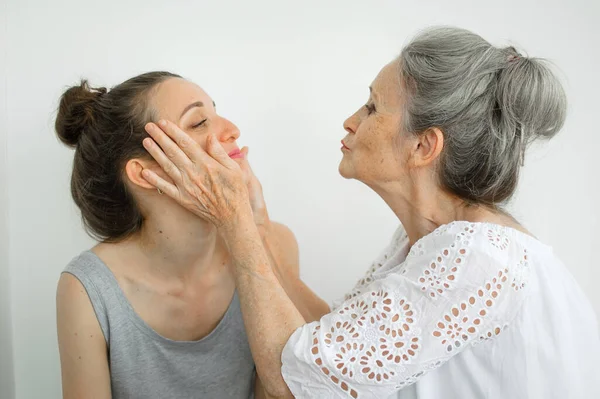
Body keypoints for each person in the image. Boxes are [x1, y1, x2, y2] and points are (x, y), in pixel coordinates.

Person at [140, 27, 600, 398]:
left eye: (373, 107)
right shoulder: (425, 244)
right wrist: (257, 226)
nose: (351, 120)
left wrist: (233, 221)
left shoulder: (478, 258)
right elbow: (330, 346)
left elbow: (293, 384)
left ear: (423, 146)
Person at [54, 72, 329, 399]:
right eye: (199, 122)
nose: (232, 130)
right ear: (146, 172)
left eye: (215, 111)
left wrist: (254, 231)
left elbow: (312, 378)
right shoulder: (88, 289)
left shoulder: (274, 243)